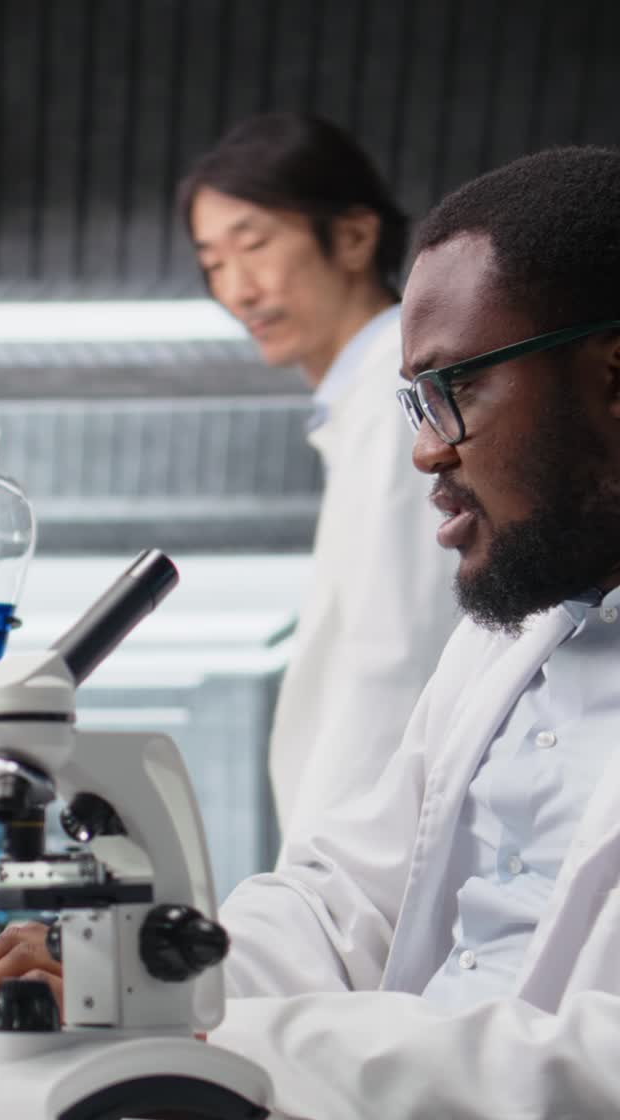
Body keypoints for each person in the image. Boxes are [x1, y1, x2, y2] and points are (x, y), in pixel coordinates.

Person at [0, 144, 620, 1120]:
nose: (426, 447)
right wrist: (137, 980)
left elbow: (599, 1089)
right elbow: (343, 894)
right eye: (414, 400)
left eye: (455, 388)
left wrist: (203, 1033)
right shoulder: (512, 634)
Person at [178, 113, 457, 837]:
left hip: (369, 856)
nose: (238, 290)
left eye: (254, 246)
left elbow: (391, 662)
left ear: (356, 237)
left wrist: (316, 877)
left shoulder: (399, 402)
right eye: (213, 263)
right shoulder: (363, 404)